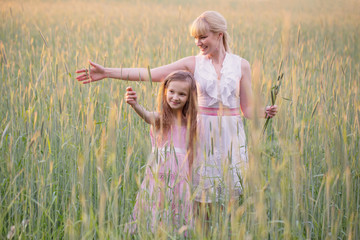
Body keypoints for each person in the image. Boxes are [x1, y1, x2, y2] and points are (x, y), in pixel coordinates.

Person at [76, 11, 277, 204]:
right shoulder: (193, 63)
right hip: (200, 134)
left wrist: (264, 112)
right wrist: (107, 72)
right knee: (200, 196)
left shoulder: (241, 65)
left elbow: (247, 109)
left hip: (230, 136)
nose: (198, 42)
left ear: (219, 35)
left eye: (203, 37)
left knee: (229, 198)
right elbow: (151, 73)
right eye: (195, 38)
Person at [124, 70, 198, 233]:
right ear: (165, 91)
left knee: (176, 207)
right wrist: (135, 105)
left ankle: (175, 233)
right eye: (171, 92)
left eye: (181, 94)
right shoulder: (161, 119)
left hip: (179, 178)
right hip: (159, 176)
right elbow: (147, 116)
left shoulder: (191, 123)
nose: (175, 97)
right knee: (155, 204)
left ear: (189, 98)